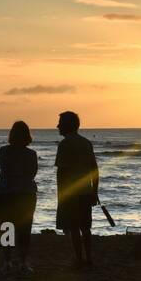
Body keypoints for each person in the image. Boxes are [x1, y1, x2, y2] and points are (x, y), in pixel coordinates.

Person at [55, 110, 99, 269]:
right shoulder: (86, 143)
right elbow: (95, 169)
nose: (57, 126)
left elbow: (62, 172)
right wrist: (95, 191)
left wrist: (61, 194)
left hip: (72, 192)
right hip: (86, 191)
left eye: (60, 123)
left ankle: (79, 259)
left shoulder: (65, 145)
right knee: (86, 227)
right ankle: (88, 258)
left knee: (74, 228)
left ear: (66, 125)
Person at [0, 122, 38, 273]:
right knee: (25, 228)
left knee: (7, 227)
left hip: (7, 192)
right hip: (26, 192)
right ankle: (23, 262)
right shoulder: (31, 154)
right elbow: (32, 173)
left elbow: (4, 171)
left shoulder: (4, 151)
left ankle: (7, 261)